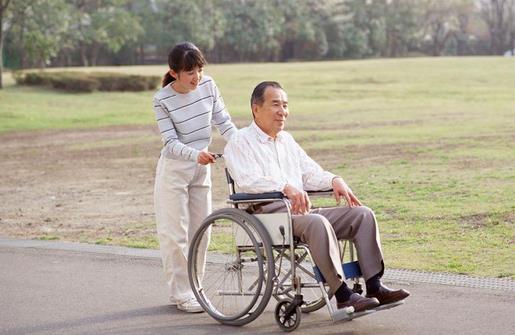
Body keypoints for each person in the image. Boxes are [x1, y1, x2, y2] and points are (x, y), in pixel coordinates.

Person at [223, 81, 409, 313]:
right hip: (268, 215)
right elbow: (248, 181)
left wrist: (334, 180)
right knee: (317, 222)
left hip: (299, 213)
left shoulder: (286, 141)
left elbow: (311, 172)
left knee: (363, 215)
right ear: (256, 108)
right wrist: (286, 187)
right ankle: (343, 295)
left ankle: (374, 286)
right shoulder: (240, 141)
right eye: (275, 105)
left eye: (285, 105)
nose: (283, 111)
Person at [152, 42, 237, 313]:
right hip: (174, 170)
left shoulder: (208, 86)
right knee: (175, 235)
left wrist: (243, 145)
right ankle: (181, 293)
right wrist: (195, 155)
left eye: (199, 69)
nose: (196, 77)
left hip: (202, 168)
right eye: (189, 71)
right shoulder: (161, 100)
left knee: (203, 231)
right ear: (174, 72)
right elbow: (169, 143)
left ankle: (195, 289)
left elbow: (224, 122)